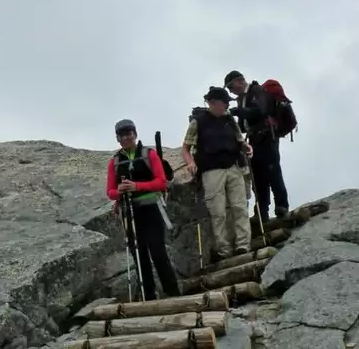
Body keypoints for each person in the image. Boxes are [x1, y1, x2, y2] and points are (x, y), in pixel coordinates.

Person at [106, 119, 180, 300]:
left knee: (157, 251)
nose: (126, 138)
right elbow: (110, 192)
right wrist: (120, 191)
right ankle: (148, 295)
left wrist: (136, 186)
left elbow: (162, 182)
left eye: (128, 134)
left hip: (151, 208)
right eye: (122, 135)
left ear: (135, 134)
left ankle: (173, 292)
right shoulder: (114, 162)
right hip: (129, 213)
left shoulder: (149, 154)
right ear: (117, 138)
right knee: (139, 253)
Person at [181, 88, 253, 263]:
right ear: (212, 103)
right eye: (224, 102)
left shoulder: (230, 120)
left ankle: (243, 244)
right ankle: (223, 249)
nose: (227, 105)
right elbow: (185, 148)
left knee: (240, 206)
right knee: (218, 211)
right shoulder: (198, 122)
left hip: (234, 167)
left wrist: (246, 148)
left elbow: (239, 141)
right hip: (211, 170)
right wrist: (191, 163)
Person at [224, 70, 289, 221]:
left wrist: (239, 112)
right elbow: (243, 125)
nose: (230, 91)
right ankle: (262, 212)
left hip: (267, 136)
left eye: (230, 87)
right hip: (254, 139)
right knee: (258, 177)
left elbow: (261, 110)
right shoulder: (242, 99)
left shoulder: (256, 91)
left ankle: (282, 206)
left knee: (273, 171)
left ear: (240, 81)